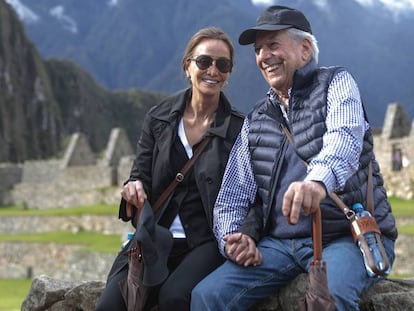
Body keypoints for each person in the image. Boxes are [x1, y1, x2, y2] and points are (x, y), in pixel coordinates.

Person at [191, 5, 397, 311]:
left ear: (304, 50)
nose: (263, 56)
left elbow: (345, 139)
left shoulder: (337, 84)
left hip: (344, 236)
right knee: (207, 296)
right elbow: (233, 195)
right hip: (278, 245)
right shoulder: (256, 120)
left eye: (273, 45)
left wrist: (316, 182)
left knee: (331, 297)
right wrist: (233, 237)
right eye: (259, 49)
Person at [95, 27, 244, 311]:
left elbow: (247, 193)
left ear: (228, 73)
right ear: (187, 66)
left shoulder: (238, 128)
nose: (212, 70)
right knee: (112, 303)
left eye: (222, 64)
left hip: (205, 240)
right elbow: (139, 173)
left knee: (174, 298)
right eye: (204, 61)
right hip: (155, 235)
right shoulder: (159, 117)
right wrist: (133, 187)